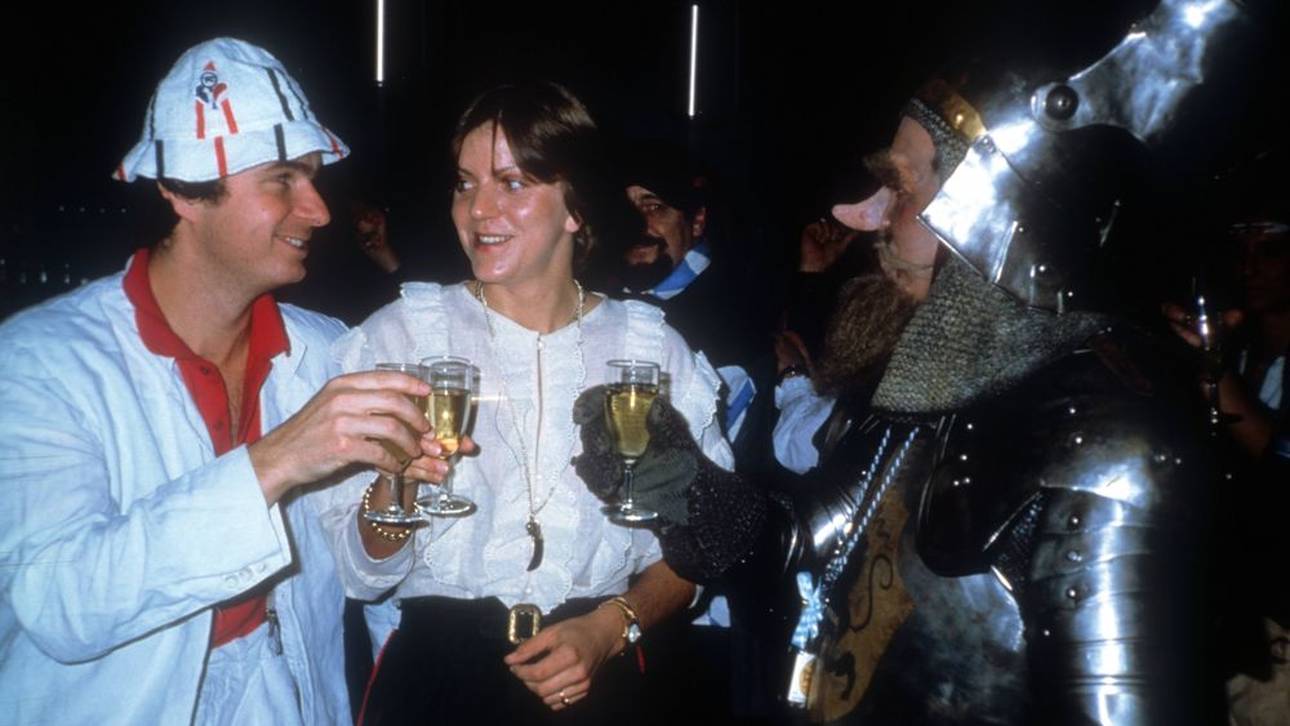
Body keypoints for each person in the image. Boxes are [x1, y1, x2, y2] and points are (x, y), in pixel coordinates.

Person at [572, 2, 1260, 723]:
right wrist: (684, 485)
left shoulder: (1108, 446)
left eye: (900, 185)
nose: (859, 215)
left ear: (999, 209)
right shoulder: (945, 380)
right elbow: (806, 545)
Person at [0, 38, 441, 724]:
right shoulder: (40, 360)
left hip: (288, 696)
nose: (320, 211)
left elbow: (372, 576)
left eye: (314, 178)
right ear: (182, 192)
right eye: (283, 180)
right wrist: (278, 459)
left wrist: (396, 495)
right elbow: (63, 604)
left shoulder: (329, 351)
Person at [317, 81, 732, 725]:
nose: (478, 209)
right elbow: (359, 576)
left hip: (603, 678)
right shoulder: (398, 338)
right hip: (439, 685)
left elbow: (697, 551)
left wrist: (612, 626)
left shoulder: (649, 353)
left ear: (576, 208)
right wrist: (392, 488)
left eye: (511, 183)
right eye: (464, 182)